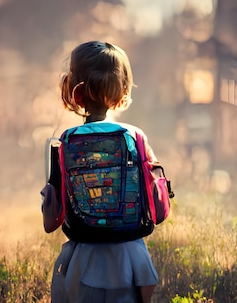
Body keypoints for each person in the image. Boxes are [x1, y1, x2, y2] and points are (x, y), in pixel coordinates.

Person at [41, 41, 158, 303]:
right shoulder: (135, 136)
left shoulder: (65, 141)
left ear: (74, 91)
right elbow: (156, 203)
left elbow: (51, 222)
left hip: (84, 259)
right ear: (122, 89)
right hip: (132, 257)